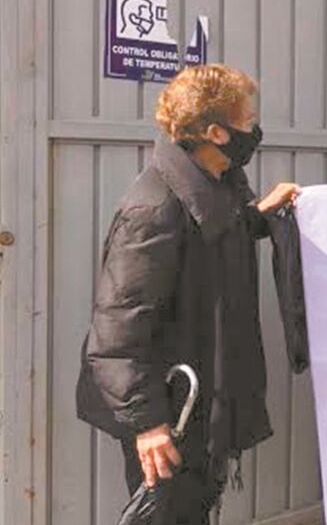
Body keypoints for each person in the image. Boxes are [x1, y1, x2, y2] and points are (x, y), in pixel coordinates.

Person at [75, 64, 300, 524]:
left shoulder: (218, 183)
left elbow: (218, 234)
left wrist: (261, 213)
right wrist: (148, 424)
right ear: (216, 132)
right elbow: (116, 333)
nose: (255, 129)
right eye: (248, 120)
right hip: (170, 413)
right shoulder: (154, 208)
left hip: (201, 403)